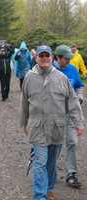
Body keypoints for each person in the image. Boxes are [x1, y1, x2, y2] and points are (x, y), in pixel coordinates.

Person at [20, 45, 84, 200]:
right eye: (41, 56)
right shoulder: (29, 77)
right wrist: (24, 123)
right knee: (40, 163)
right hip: (37, 127)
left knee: (51, 162)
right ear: (36, 58)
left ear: (51, 58)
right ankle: (40, 196)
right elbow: (24, 102)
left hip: (57, 127)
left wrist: (78, 123)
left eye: (46, 55)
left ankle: (48, 188)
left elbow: (73, 102)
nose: (44, 58)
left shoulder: (61, 78)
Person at [54, 45, 84, 189]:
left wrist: (80, 96)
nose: (68, 61)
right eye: (65, 59)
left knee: (72, 141)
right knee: (55, 144)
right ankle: (50, 171)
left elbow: (79, 85)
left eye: (69, 58)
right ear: (58, 58)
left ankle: (71, 174)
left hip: (70, 113)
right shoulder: (50, 71)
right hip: (54, 115)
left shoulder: (72, 69)